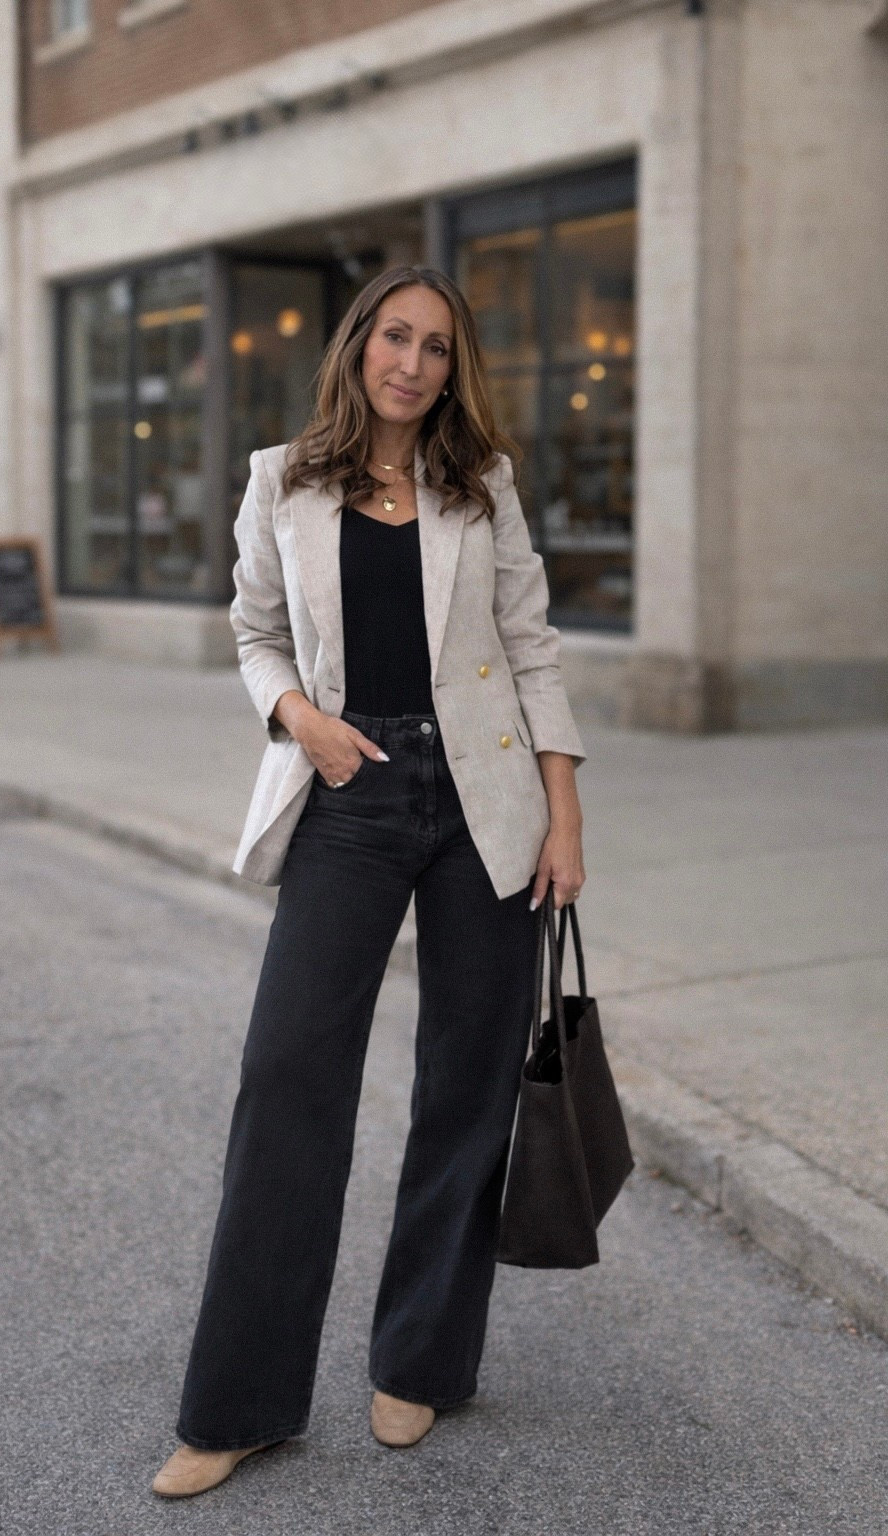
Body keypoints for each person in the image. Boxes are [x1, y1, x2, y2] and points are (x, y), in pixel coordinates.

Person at [153, 265, 586, 1499]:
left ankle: (423, 1362)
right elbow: (252, 634)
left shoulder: (479, 486)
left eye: (437, 346)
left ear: (455, 368)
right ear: (357, 346)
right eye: (395, 336)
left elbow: (531, 651)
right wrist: (299, 718)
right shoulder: (278, 479)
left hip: (484, 807)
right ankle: (236, 1404)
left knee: (465, 1084)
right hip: (348, 795)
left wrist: (563, 818)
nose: (413, 362)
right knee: (286, 1079)